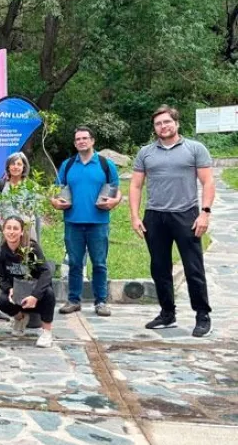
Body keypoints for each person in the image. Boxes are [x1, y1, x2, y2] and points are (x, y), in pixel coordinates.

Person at [130, 105, 214, 337]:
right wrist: (135, 216)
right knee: (159, 268)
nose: (163, 126)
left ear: (176, 123)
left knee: (193, 267)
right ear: (154, 128)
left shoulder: (194, 149)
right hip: (155, 216)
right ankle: (167, 313)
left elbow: (208, 181)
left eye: (167, 122)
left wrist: (205, 213)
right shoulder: (145, 153)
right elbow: (135, 185)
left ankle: (202, 315)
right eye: (158, 124)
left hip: (186, 215)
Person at [50, 127, 122, 317]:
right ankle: (73, 300)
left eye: (85, 138)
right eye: (78, 139)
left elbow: (116, 190)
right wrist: (55, 202)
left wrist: (115, 202)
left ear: (92, 141)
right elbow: (56, 191)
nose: (81, 141)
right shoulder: (67, 165)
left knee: (99, 263)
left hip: (99, 223)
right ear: (75, 144)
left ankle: (101, 302)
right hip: (72, 222)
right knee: (74, 263)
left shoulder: (106, 164)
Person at [0, 216, 56, 348]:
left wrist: (35, 296)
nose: (11, 232)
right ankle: (20, 318)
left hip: (34, 291)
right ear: (3, 230)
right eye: (8, 228)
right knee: (1, 300)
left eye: (15, 228)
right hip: (17, 293)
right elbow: (1, 277)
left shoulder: (32, 248)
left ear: (22, 231)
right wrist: (9, 289)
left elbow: (46, 272)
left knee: (49, 294)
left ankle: (46, 332)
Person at [0, 152, 40, 240]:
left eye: (19, 164)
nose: (15, 167)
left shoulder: (31, 187)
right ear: (8, 167)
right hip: (4, 232)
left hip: (25, 232)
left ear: (24, 167)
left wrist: (37, 241)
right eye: (13, 164)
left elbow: (36, 215)